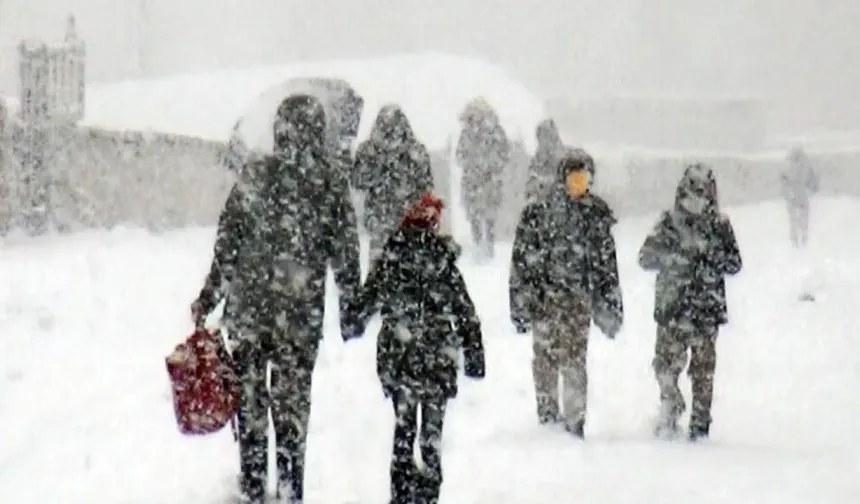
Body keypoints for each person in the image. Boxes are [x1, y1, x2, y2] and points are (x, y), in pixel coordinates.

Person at [190, 94, 363, 504]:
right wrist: (351, 307)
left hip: (249, 314)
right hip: (299, 318)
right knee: (291, 412)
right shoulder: (329, 186)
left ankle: (252, 487)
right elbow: (346, 254)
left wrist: (210, 296)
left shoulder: (255, 176)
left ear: (278, 131)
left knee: (250, 407)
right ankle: (289, 490)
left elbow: (227, 244)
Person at [345, 192, 485, 504]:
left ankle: (401, 493)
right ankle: (428, 494)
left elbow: (367, 300)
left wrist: (352, 322)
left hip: (400, 357)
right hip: (438, 358)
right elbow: (465, 310)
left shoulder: (393, 258)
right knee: (431, 436)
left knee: (404, 429)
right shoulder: (442, 260)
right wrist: (474, 354)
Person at [508, 147, 623, 438]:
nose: (578, 187)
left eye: (583, 180)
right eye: (574, 180)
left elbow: (606, 266)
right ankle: (547, 417)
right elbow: (521, 262)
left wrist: (609, 304)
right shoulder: (539, 214)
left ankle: (575, 421)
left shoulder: (595, 215)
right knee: (544, 360)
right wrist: (521, 302)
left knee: (574, 361)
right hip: (545, 299)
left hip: (577, 302)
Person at [638, 163, 742, 442]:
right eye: (691, 194)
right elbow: (645, 257)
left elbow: (734, 263)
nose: (696, 201)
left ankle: (700, 425)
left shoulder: (720, 226)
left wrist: (709, 257)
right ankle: (670, 408)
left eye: (702, 194)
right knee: (664, 367)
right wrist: (675, 256)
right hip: (673, 309)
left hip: (706, 310)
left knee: (703, 373)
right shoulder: (668, 223)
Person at [351, 104, 435, 262]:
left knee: (383, 274)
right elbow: (357, 180)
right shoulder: (414, 152)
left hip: (394, 223)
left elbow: (426, 187)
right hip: (395, 224)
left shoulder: (371, 151)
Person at [455, 98, 511, 259]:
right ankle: (478, 244)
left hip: (488, 180)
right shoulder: (467, 133)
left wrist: (488, 166)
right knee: (475, 215)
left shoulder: (495, 131)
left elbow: (503, 153)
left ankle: (488, 246)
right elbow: (460, 155)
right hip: (474, 181)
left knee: (489, 215)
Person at [781, 146, 819, 248]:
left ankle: (795, 240)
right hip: (802, 197)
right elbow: (812, 181)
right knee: (803, 219)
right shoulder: (806, 167)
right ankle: (803, 238)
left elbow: (784, 182)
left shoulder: (787, 167)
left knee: (794, 220)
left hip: (793, 197)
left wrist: (786, 193)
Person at [525, 118, 566, 204]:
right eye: (542, 137)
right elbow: (530, 186)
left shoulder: (564, 158)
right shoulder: (536, 161)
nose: (544, 141)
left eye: (547, 136)